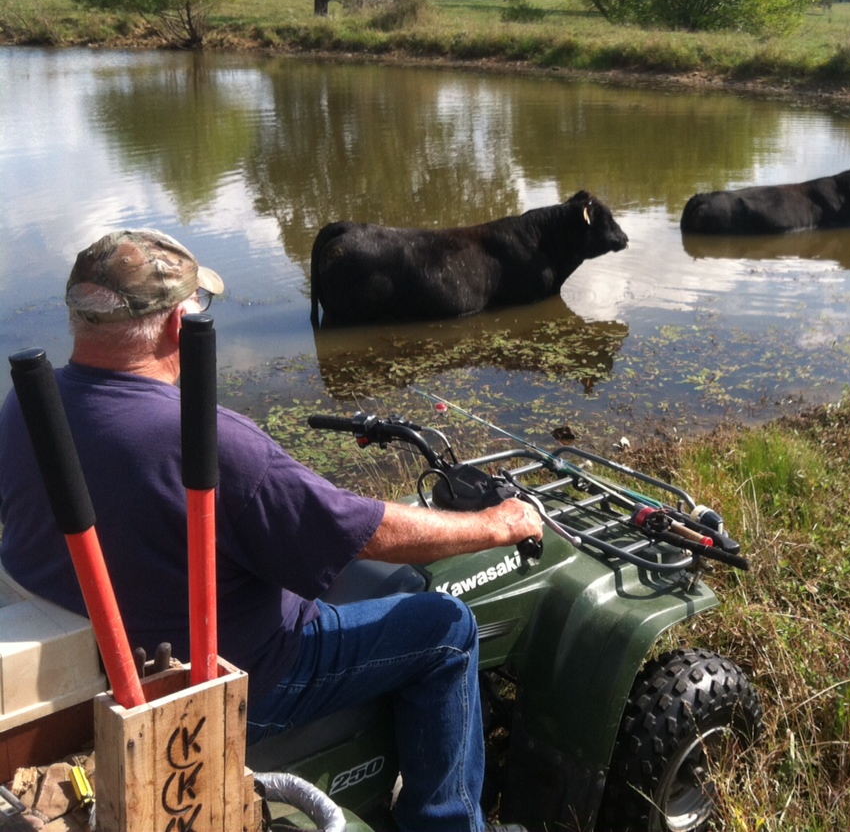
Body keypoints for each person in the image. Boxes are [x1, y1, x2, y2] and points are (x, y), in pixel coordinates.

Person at [0, 229, 541, 832]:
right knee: (448, 627)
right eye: (197, 308)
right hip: (240, 679)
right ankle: (447, 823)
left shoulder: (25, 408)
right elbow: (363, 533)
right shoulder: (212, 441)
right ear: (179, 326)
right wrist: (496, 522)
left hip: (102, 668)